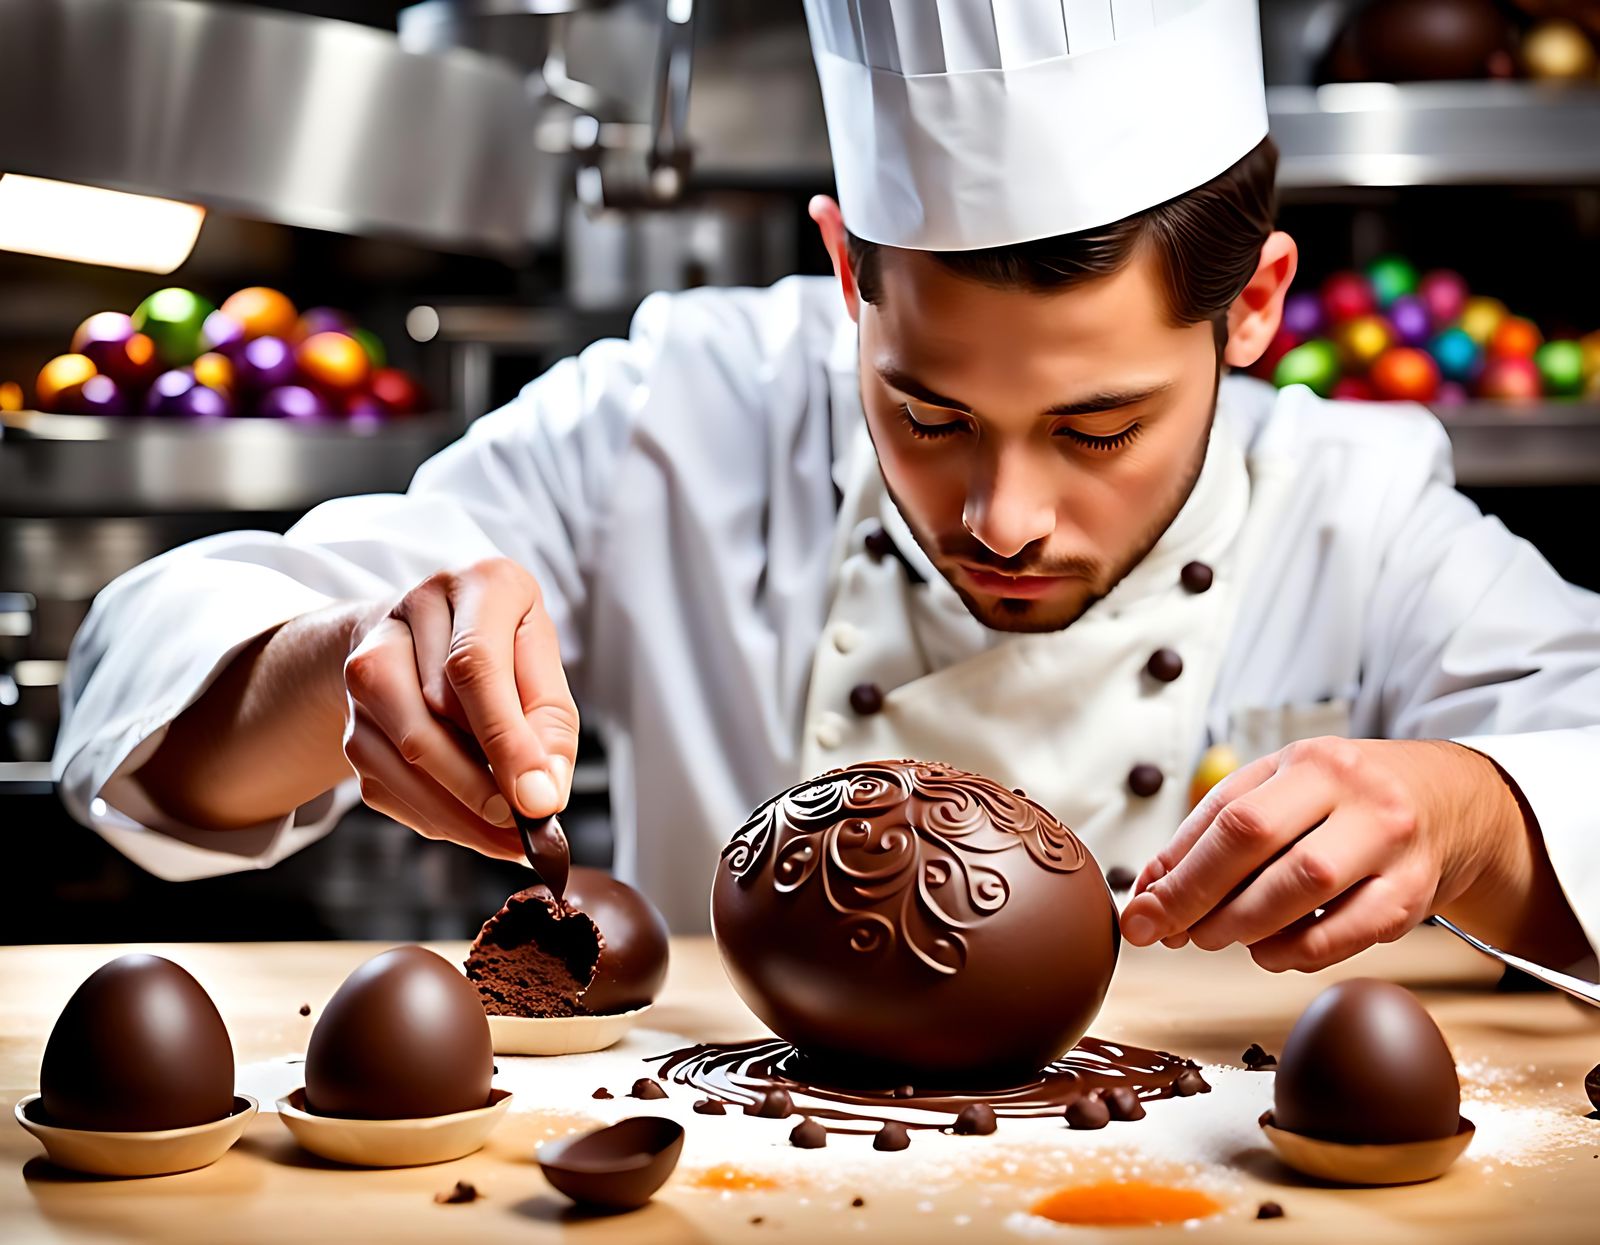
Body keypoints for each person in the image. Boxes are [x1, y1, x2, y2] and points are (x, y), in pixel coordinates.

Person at [54, 0, 1600, 977]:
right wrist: (351, 663)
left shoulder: (1357, 509)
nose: (1002, 514)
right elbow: (150, 683)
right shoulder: (682, 412)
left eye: (1099, 427)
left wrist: (1471, 815)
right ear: (848, 269)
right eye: (926, 411)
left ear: (1253, 310)